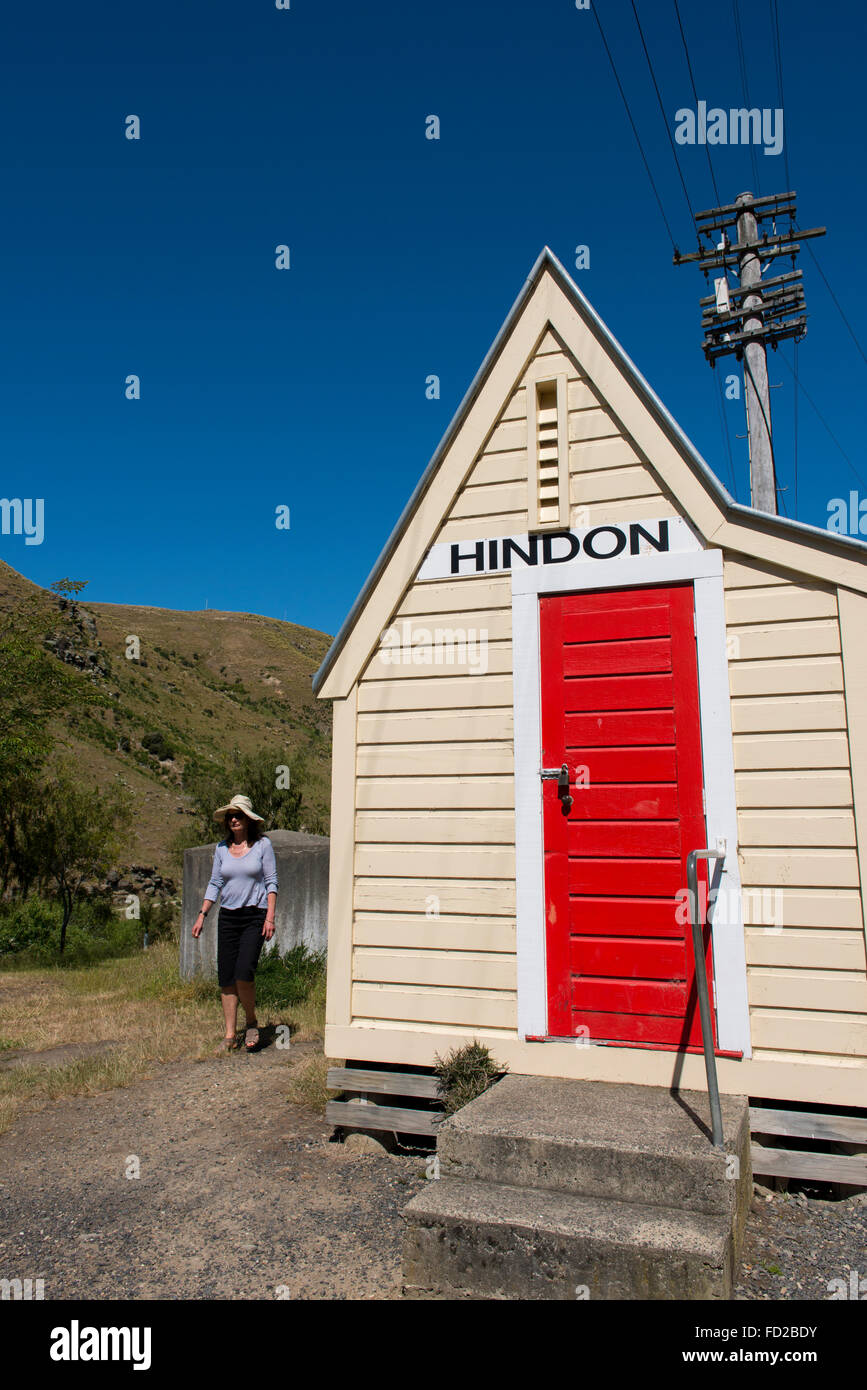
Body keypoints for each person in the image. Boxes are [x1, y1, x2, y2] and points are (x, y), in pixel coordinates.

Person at [191, 794, 278, 1053]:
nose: (233, 819)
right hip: (228, 916)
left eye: (238, 815)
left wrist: (270, 918)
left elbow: (272, 881)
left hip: (255, 915)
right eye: (230, 816)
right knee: (226, 977)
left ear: (249, 820)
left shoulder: (263, 845)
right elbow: (215, 882)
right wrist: (202, 914)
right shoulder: (221, 848)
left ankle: (251, 1022)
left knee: (243, 973)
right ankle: (229, 1035)